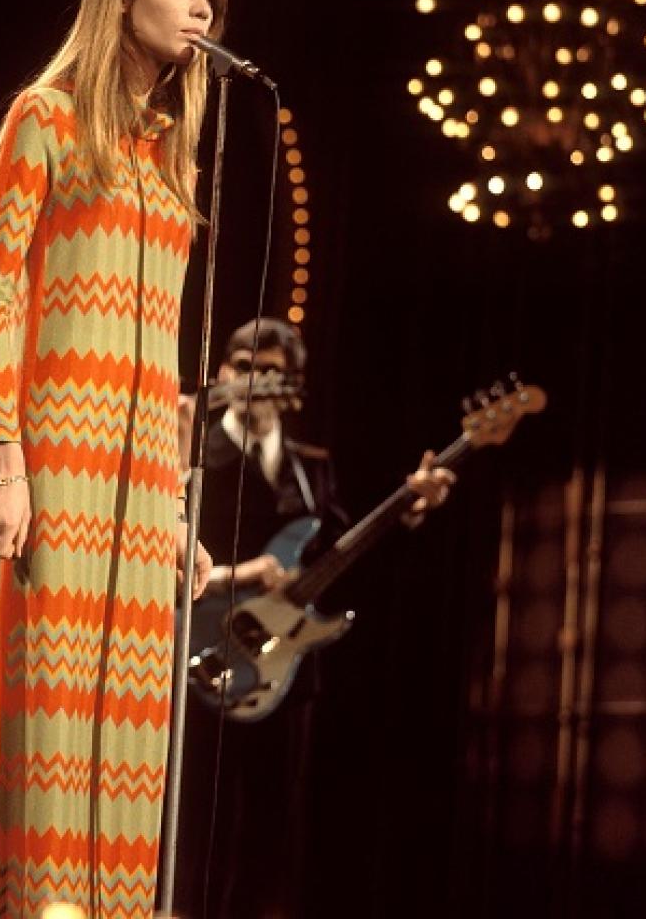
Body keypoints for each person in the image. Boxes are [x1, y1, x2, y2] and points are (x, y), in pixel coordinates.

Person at [0, 0, 219, 918]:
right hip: (55, 457)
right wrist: (4, 461)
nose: (199, 6)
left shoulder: (173, 158)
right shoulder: (43, 117)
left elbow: (166, 352)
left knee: (131, 739)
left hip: (141, 482)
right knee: (45, 727)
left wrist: (175, 507)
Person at [174, 317, 454, 919]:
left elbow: (339, 558)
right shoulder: (192, 451)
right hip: (198, 650)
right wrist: (239, 574)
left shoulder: (311, 466)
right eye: (244, 367)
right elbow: (158, 554)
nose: (254, 381)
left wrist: (408, 509)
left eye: (270, 371)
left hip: (281, 669)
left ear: (291, 382)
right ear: (224, 373)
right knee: (194, 817)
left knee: (266, 829)